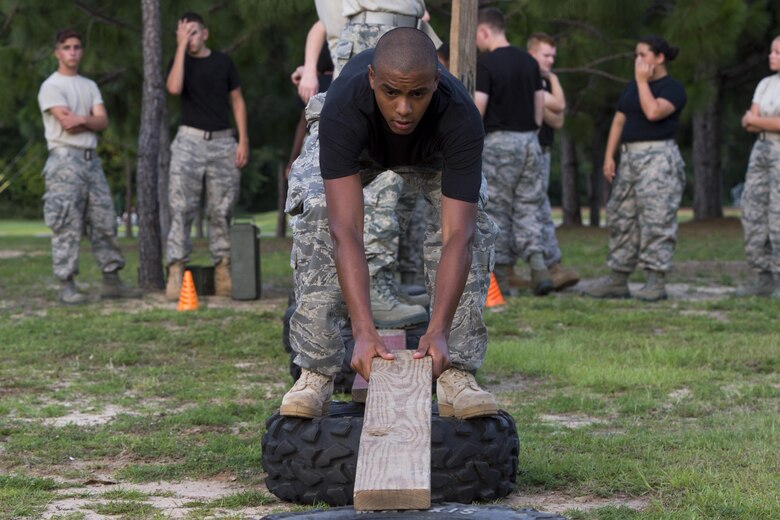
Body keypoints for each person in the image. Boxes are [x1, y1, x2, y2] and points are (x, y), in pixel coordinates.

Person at [281, 28, 499, 421]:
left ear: (436, 81)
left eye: (417, 94)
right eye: (391, 93)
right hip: (359, 144)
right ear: (371, 81)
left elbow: (457, 237)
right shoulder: (344, 107)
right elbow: (345, 230)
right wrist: (364, 331)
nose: (403, 109)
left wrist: (438, 329)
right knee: (315, 216)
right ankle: (316, 372)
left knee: (477, 227)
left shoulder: (460, 116)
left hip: (431, 152)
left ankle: (457, 372)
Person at [38, 28, 142, 305]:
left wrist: (82, 118)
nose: (72, 52)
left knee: (104, 220)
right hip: (64, 161)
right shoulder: (51, 86)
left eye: (77, 47)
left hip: (91, 161)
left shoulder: (89, 86)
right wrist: (89, 120)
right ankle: (67, 283)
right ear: (57, 52)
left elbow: (102, 122)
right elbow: (67, 126)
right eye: (66, 47)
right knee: (66, 222)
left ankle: (112, 280)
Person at [583, 35, 686, 302]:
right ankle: (618, 278)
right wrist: (609, 156)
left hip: (657, 159)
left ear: (659, 58)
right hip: (629, 159)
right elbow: (619, 121)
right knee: (621, 217)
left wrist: (642, 82)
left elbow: (653, 112)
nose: (637, 60)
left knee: (656, 218)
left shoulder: (672, 88)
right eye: (636, 55)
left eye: (643, 55)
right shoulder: (631, 87)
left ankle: (656, 280)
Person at [164, 11, 249, 300]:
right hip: (188, 140)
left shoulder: (223, 62)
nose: (190, 38)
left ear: (206, 33)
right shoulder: (180, 61)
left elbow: (237, 101)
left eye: (194, 32)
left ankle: (223, 268)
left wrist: (243, 140)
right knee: (181, 208)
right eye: (184, 33)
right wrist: (179, 47)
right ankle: (176, 268)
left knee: (221, 210)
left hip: (223, 142)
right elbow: (173, 88)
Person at [474, 8, 550, 296]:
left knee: (499, 210)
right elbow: (539, 109)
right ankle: (538, 264)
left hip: (499, 144)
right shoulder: (530, 63)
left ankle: (502, 280)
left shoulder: (487, 64)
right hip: (530, 141)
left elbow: (479, 109)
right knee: (529, 205)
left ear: (484, 31)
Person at [524, 32, 580, 292]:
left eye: (553, 57)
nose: (550, 61)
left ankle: (549, 266)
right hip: (528, 150)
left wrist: (538, 105)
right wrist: (553, 83)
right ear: (532, 54)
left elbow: (558, 119)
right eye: (546, 55)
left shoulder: (542, 83)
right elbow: (559, 104)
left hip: (544, 149)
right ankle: (543, 267)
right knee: (533, 208)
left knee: (539, 206)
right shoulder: (527, 76)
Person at [737, 35, 780, 298]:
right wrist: (763, 121)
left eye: (777, 52)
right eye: (771, 51)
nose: (771, 56)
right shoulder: (765, 84)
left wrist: (758, 120)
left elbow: (756, 119)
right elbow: (747, 122)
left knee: (778, 214)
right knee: (753, 211)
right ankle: (764, 277)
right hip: (760, 150)